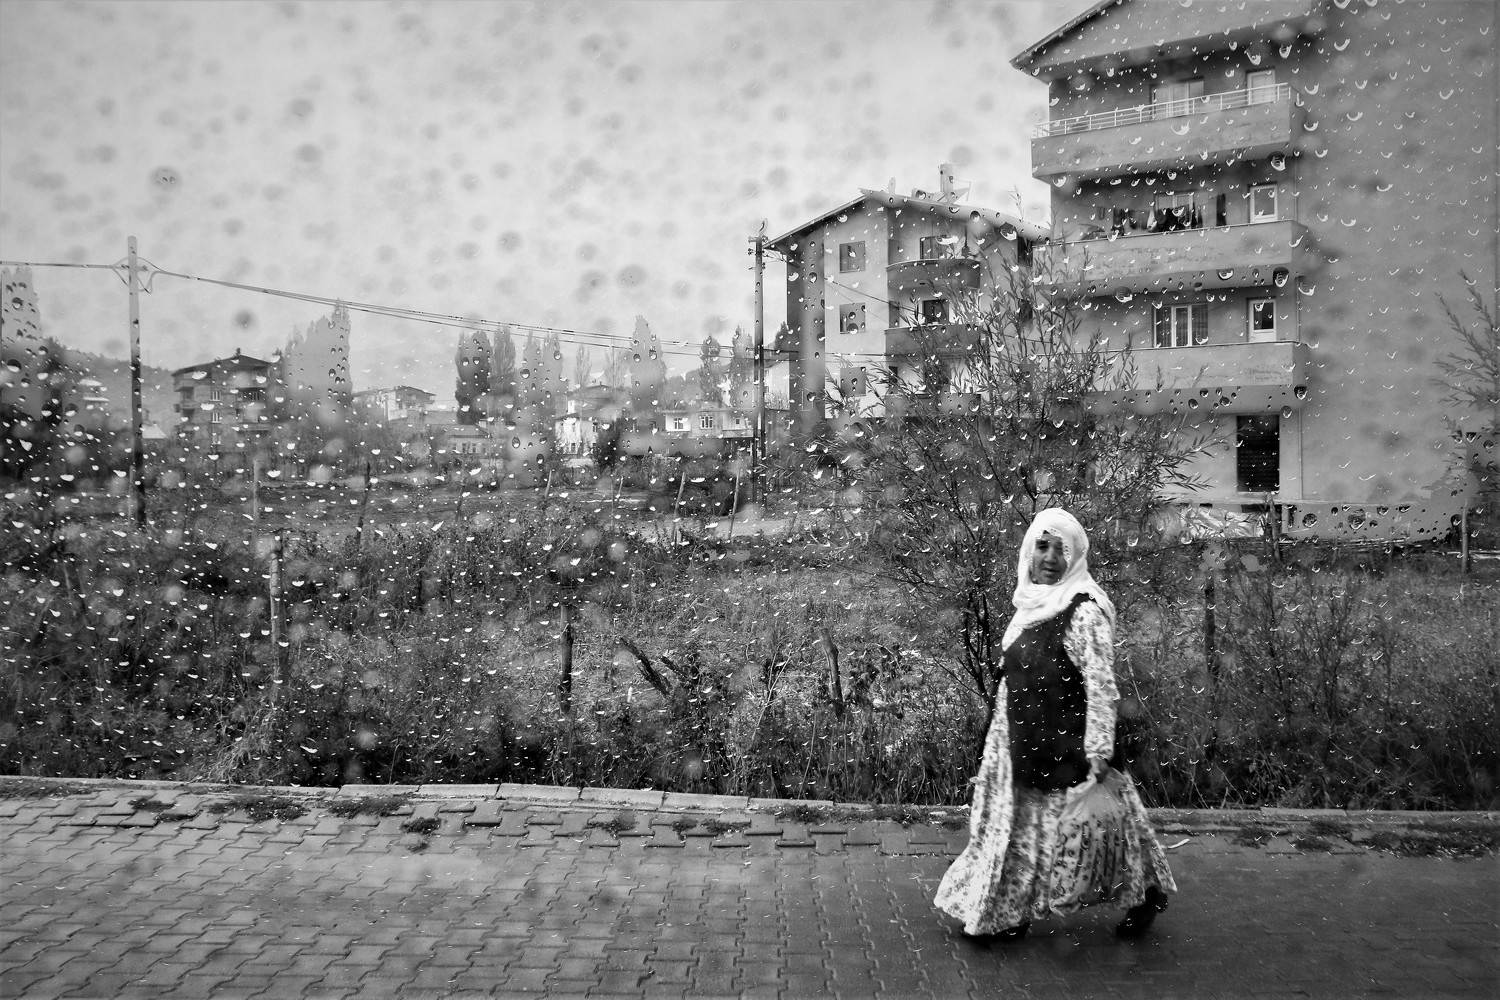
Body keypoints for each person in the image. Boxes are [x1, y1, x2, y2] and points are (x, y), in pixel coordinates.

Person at [934, 507, 1175, 940]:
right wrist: (995, 746)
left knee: (1098, 827)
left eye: (1061, 550)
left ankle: (1144, 892)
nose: (1049, 558)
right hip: (1019, 741)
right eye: (1042, 546)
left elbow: (1101, 684)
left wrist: (1098, 749)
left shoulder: (1084, 610)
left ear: (1075, 557)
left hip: (1068, 742)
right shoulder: (1030, 603)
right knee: (1016, 830)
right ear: (1028, 551)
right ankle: (1007, 913)